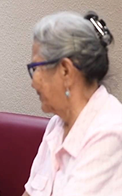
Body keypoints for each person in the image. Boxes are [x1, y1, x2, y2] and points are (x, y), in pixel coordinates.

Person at [23, 11, 122, 196]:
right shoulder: (57, 124)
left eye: (36, 68)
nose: (33, 81)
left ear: (66, 71)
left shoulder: (110, 134)